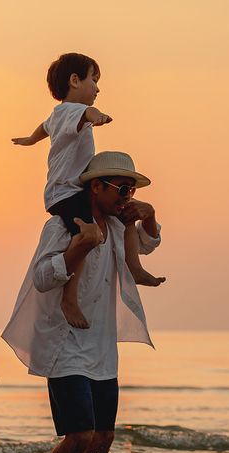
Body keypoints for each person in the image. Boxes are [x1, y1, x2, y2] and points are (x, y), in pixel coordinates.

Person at [0, 151, 162, 453]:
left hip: (103, 350)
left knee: (103, 437)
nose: (127, 196)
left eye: (132, 189)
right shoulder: (62, 226)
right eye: (122, 188)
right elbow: (42, 277)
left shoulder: (119, 228)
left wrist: (149, 214)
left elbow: (147, 243)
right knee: (80, 434)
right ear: (97, 186)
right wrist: (79, 246)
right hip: (64, 345)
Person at [11, 52, 165, 329]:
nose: (97, 87)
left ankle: (135, 268)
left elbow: (42, 129)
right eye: (93, 79)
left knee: (127, 216)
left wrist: (29, 140)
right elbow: (88, 113)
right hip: (65, 193)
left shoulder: (57, 117)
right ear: (74, 80)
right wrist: (99, 117)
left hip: (72, 191)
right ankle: (69, 298)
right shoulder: (71, 111)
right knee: (86, 237)